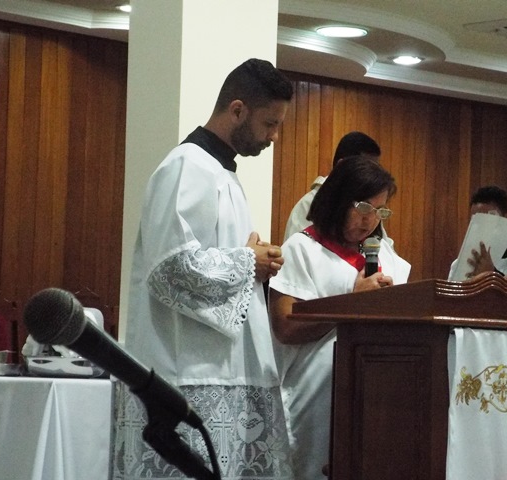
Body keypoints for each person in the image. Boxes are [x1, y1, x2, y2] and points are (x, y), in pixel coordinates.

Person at [114, 59, 294, 480]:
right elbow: (171, 267)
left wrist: (253, 262)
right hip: (187, 373)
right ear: (237, 110)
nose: (274, 136)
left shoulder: (222, 173)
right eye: (269, 124)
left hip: (227, 370)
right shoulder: (186, 166)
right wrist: (248, 261)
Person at [268, 155, 412, 480]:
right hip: (315, 398)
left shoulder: (384, 254)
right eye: (363, 208)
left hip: (378, 397)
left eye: (380, 211)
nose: (370, 220)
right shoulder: (302, 249)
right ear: (338, 200)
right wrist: (352, 304)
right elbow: (285, 327)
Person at [283, 131, 383, 242]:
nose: (372, 176)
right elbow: (300, 248)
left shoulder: (373, 209)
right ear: (341, 166)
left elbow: (383, 246)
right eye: (364, 170)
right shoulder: (309, 204)